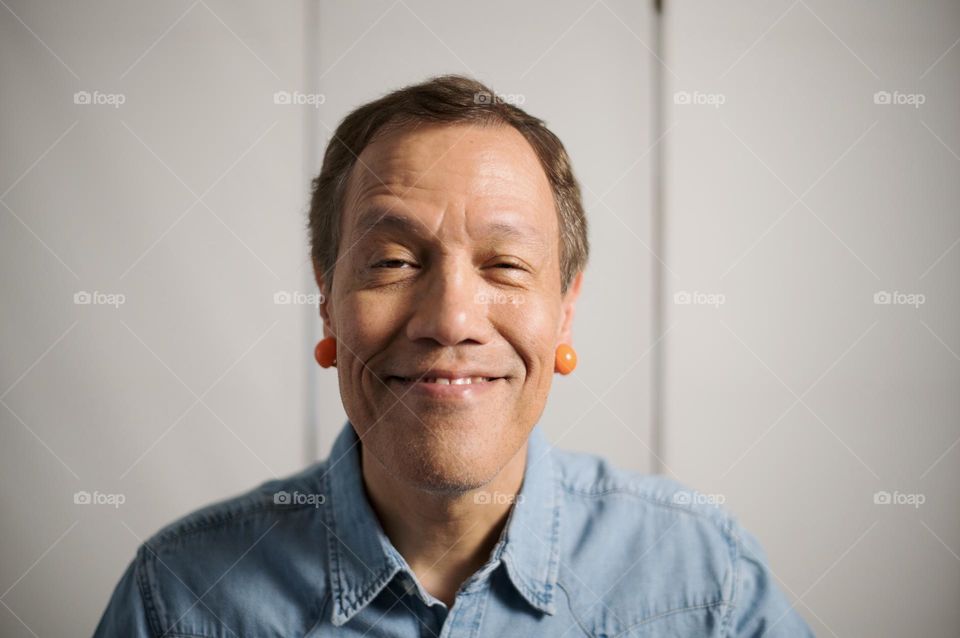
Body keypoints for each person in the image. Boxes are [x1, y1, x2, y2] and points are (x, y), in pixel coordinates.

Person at [93, 74, 814, 637]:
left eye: (505, 265)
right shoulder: (179, 598)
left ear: (565, 311)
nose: (451, 321)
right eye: (393, 261)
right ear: (327, 302)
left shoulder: (708, 584)